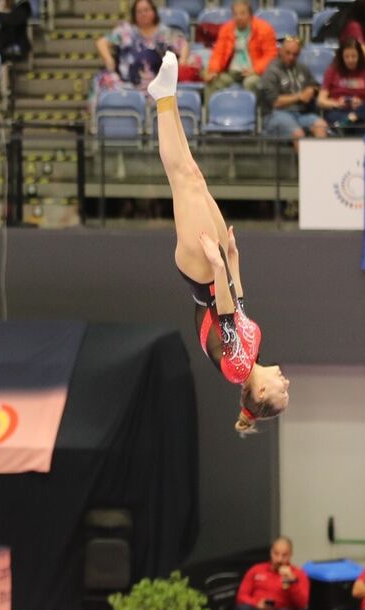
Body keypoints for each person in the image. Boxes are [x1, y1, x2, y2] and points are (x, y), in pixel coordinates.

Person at [146, 51, 291, 433]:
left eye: (281, 391)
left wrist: (216, 263)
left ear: (261, 393)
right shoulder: (250, 356)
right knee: (194, 176)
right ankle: (164, 95)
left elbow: (224, 317)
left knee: (182, 178)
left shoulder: (238, 370)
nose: (286, 382)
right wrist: (233, 260)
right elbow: (238, 307)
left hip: (204, 275)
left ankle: (164, 98)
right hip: (217, 273)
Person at [93, 0, 188, 102]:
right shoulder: (126, 31)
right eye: (139, 12)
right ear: (134, 15)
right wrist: (109, 60)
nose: (143, 14)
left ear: (154, 12)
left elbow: (183, 45)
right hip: (124, 83)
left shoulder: (164, 33)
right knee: (103, 78)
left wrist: (182, 61)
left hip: (154, 85)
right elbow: (101, 43)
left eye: (146, 10)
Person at [234, 537, 310, 610]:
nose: (279, 559)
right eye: (276, 554)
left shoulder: (298, 575)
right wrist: (256, 604)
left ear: (290, 555)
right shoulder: (256, 570)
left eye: (284, 555)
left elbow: (302, 604)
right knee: (243, 609)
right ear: (271, 553)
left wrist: (292, 582)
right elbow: (241, 596)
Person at [258, 37, 328, 143]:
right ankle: (302, 154)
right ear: (280, 51)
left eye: (295, 54)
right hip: (275, 114)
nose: (291, 57)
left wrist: (311, 89)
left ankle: (319, 155)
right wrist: (299, 96)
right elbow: (275, 102)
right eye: (288, 53)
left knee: (321, 126)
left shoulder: (302, 68)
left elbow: (316, 86)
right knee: (298, 134)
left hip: (300, 114)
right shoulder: (271, 71)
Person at [204, 0, 277, 98]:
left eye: (242, 13)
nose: (239, 17)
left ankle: (253, 108)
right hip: (232, 71)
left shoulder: (265, 29)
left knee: (251, 82)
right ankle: (211, 108)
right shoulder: (226, 29)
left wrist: (255, 69)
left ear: (250, 14)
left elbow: (271, 55)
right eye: (235, 14)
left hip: (254, 72)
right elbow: (218, 53)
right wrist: (213, 71)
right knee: (213, 82)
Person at [318, 38, 365, 129]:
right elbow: (321, 101)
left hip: (359, 111)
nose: (350, 60)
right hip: (338, 112)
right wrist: (336, 104)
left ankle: (352, 121)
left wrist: (361, 103)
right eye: (346, 57)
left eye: (354, 56)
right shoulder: (332, 71)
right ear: (341, 57)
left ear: (359, 56)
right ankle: (350, 121)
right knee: (354, 122)